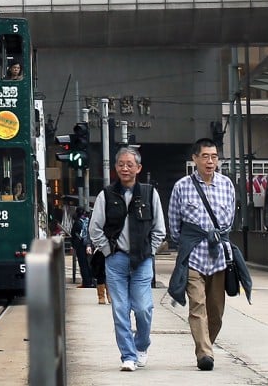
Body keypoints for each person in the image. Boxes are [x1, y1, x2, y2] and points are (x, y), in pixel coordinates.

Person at [88, 146, 166, 372]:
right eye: (121, 164)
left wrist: (149, 250)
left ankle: (141, 345)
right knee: (120, 310)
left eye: (129, 164)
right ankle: (128, 356)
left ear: (138, 168)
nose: (125, 168)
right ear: (115, 168)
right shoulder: (106, 195)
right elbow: (95, 229)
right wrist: (107, 251)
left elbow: (159, 229)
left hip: (142, 261)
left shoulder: (150, 194)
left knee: (143, 308)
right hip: (116, 260)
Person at [168, 138, 237, 372]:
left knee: (216, 311)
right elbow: (174, 225)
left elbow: (229, 223)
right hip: (194, 256)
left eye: (214, 156)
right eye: (205, 156)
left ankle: (206, 344)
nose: (210, 161)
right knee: (197, 305)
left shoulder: (227, 185)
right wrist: (186, 245)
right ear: (195, 159)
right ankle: (204, 354)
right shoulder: (182, 186)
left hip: (219, 257)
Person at [70, 208, 93, 288]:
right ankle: (90, 281)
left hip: (81, 246)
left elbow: (73, 234)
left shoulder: (78, 223)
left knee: (83, 265)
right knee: (89, 264)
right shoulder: (88, 221)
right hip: (89, 245)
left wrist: (73, 245)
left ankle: (86, 282)